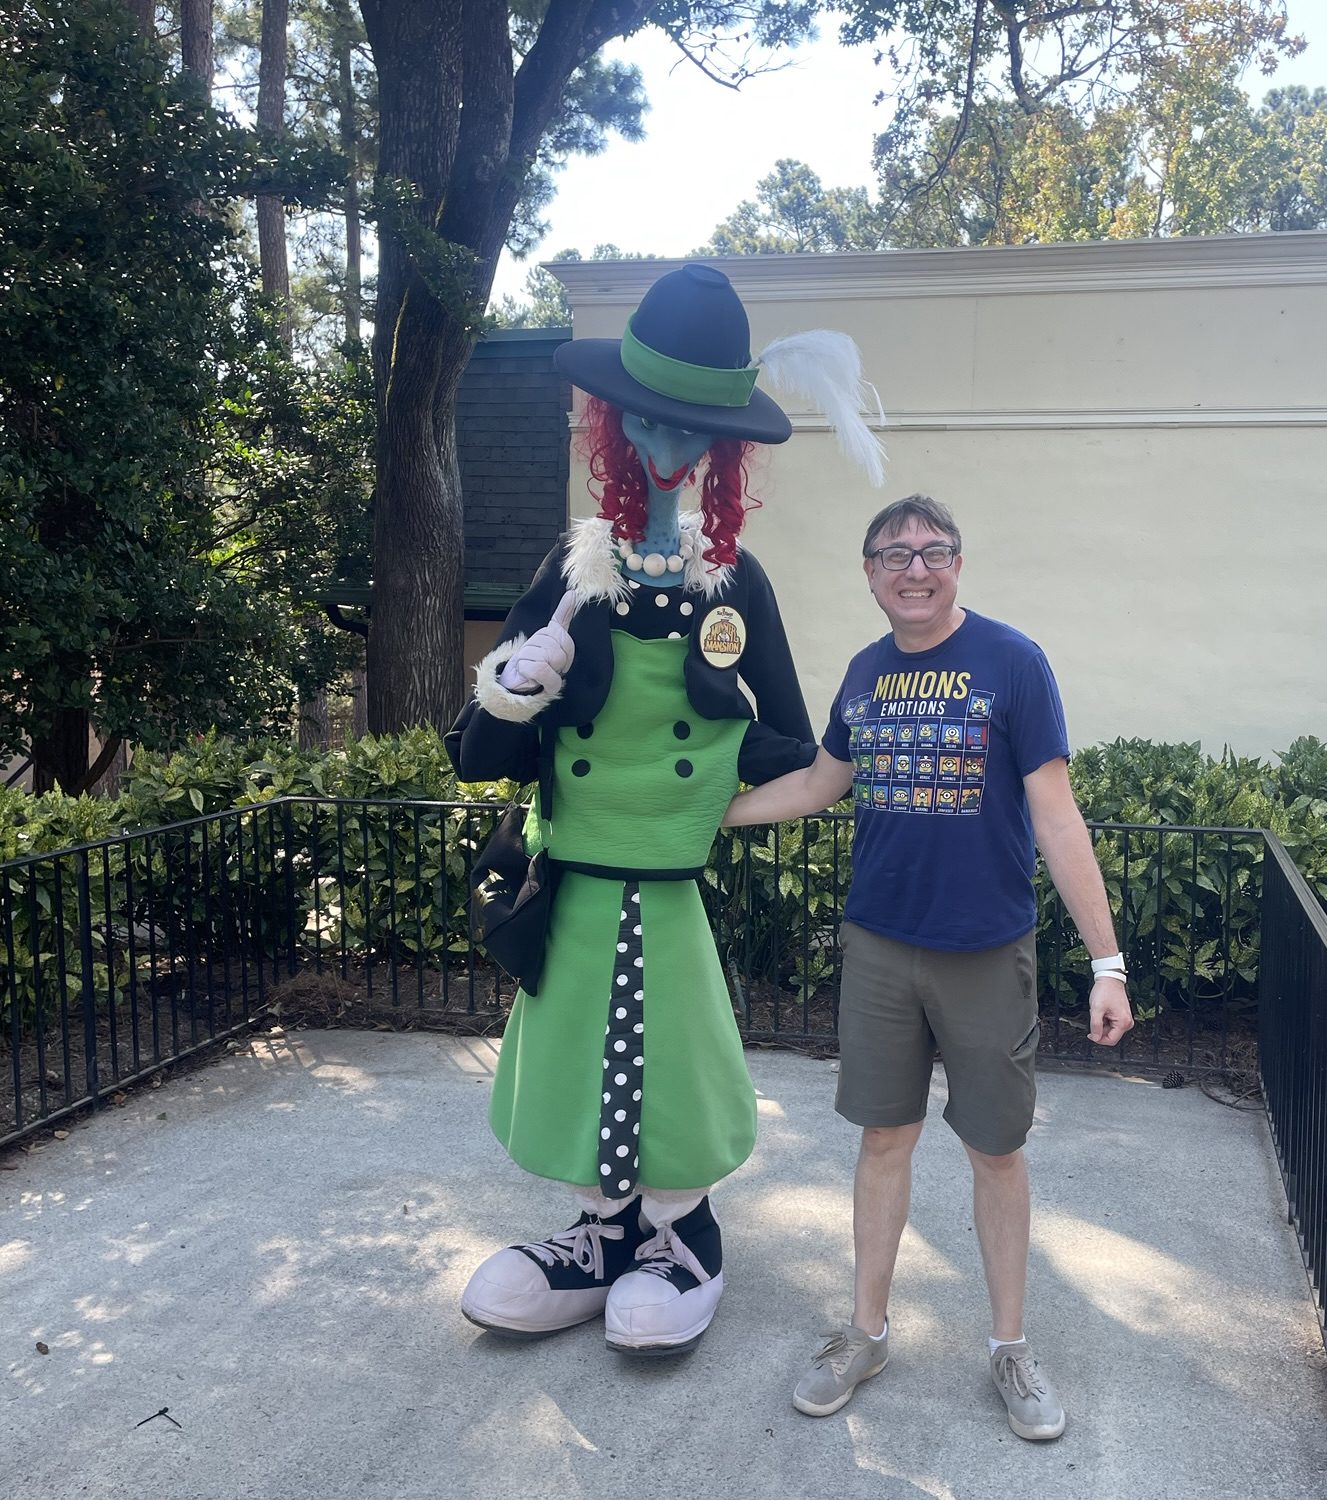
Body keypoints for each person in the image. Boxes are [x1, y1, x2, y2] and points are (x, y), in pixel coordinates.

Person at [445, 264, 883, 1357]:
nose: (666, 443)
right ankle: (601, 1237)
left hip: (669, 887)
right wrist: (518, 683)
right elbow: (479, 752)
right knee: (576, 1061)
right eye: (645, 417)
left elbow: (790, 741)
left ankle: (682, 1235)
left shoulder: (738, 587)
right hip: (577, 880)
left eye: (692, 427)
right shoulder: (570, 568)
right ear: (609, 419)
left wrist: (719, 814)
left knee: (675, 1062)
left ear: (725, 447)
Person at [722, 494, 1133, 1436]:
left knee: (996, 1150)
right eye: (893, 554)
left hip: (986, 952)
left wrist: (1106, 962)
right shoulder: (865, 674)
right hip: (878, 948)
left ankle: (1010, 1349)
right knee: (882, 1142)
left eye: (932, 550)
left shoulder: (1012, 662)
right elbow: (822, 784)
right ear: (868, 573)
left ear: (957, 563)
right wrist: (710, 814)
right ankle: (865, 1333)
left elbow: (1056, 814)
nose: (914, 567)